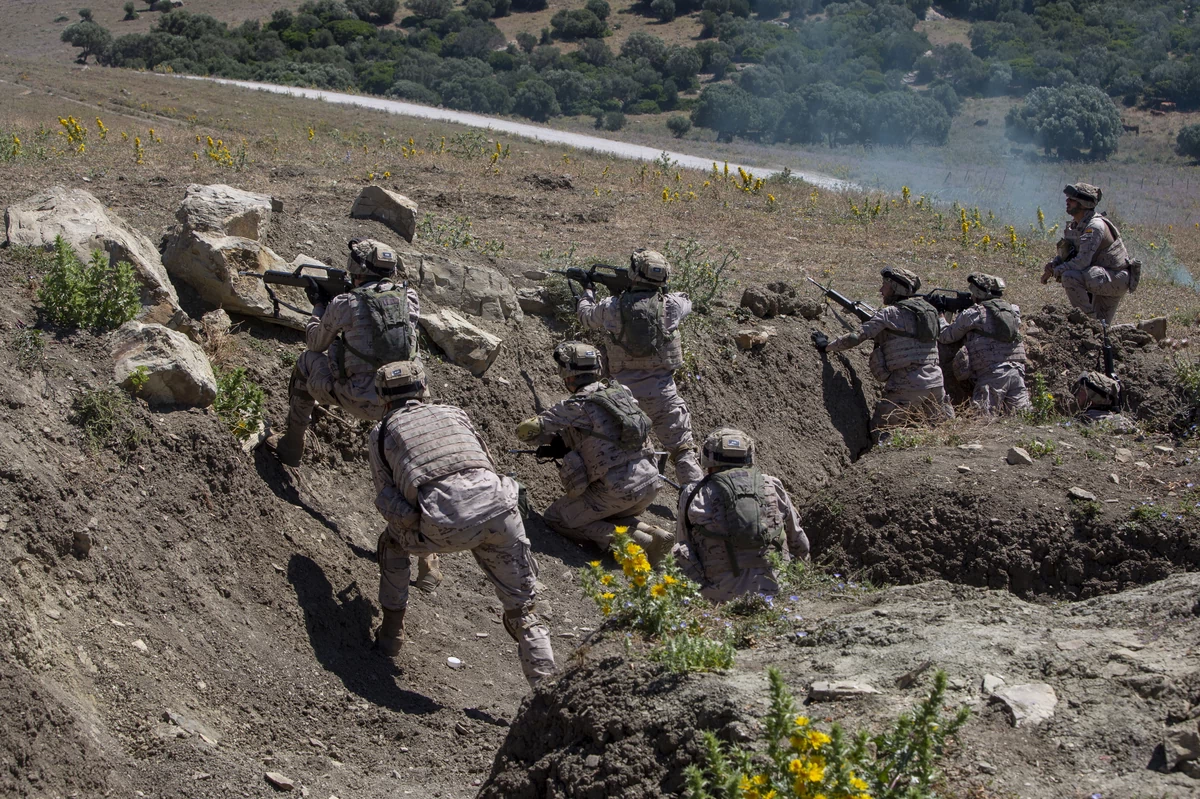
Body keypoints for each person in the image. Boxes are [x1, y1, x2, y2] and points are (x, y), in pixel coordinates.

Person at [369, 360, 556, 688]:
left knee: (392, 544)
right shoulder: (455, 413)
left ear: (382, 399)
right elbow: (487, 463)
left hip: (443, 524)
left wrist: (417, 519)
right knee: (523, 608)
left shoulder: (381, 432)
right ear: (423, 388)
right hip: (500, 509)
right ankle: (546, 692)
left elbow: (387, 499)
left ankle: (391, 635)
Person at [514, 342, 674, 565]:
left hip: (618, 489)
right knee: (606, 513)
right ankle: (654, 533)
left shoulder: (576, 404)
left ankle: (632, 541)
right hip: (650, 483)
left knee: (557, 517)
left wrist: (555, 440)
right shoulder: (622, 391)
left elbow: (525, 431)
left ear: (567, 374)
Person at [575, 249, 704, 485]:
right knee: (684, 452)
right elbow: (688, 301)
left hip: (622, 398)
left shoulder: (611, 306)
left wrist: (588, 289)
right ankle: (699, 507)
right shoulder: (673, 305)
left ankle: (621, 496)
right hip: (663, 396)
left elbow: (585, 316)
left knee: (617, 450)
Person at [812, 266, 953, 442]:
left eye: (884, 286)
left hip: (906, 384)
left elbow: (856, 337)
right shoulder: (930, 312)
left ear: (895, 288)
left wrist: (827, 347)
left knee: (881, 433)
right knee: (940, 434)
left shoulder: (890, 314)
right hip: (936, 383)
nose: (880, 290)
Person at [674, 428, 809, 603]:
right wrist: (799, 584)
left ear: (707, 458)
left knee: (678, 550)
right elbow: (799, 542)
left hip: (720, 595)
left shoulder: (694, 492)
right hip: (776, 589)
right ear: (749, 456)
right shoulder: (772, 485)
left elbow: (682, 541)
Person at [1040, 183, 1140, 324]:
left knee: (1069, 277)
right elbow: (1069, 254)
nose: (1067, 201)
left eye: (1072, 199)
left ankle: (1087, 323)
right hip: (1098, 276)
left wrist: (1058, 271)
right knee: (1103, 328)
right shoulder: (1076, 225)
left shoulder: (1095, 227)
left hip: (1114, 277)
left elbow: (1081, 262)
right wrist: (1054, 264)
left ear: (1083, 204)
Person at [938, 273, 1031, 415]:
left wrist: (940, 318)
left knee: (982, 421)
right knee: (1022, 419)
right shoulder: (1013, 311)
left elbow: (946, 337)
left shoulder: (973, 314)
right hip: (1017, 372)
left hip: (992, 375)